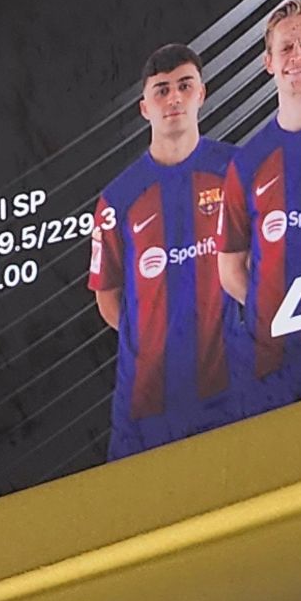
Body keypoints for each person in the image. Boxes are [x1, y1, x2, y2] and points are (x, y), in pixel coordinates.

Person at [87, 43, 238, 457]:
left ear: (201, 94)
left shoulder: (237, 171)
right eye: (162, 90)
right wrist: (153, 343)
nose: (174, 98)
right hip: (146, 407)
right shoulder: (118, 198)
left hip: (231, 393)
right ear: (145, 108)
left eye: (185, 86)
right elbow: (107, 295)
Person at [219, 0, 301, 410]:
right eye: (286, 48)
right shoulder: (248, 162)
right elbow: (230, 268)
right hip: (281, 367)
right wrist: (277, 315)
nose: (297, 57)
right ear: (269, 62)